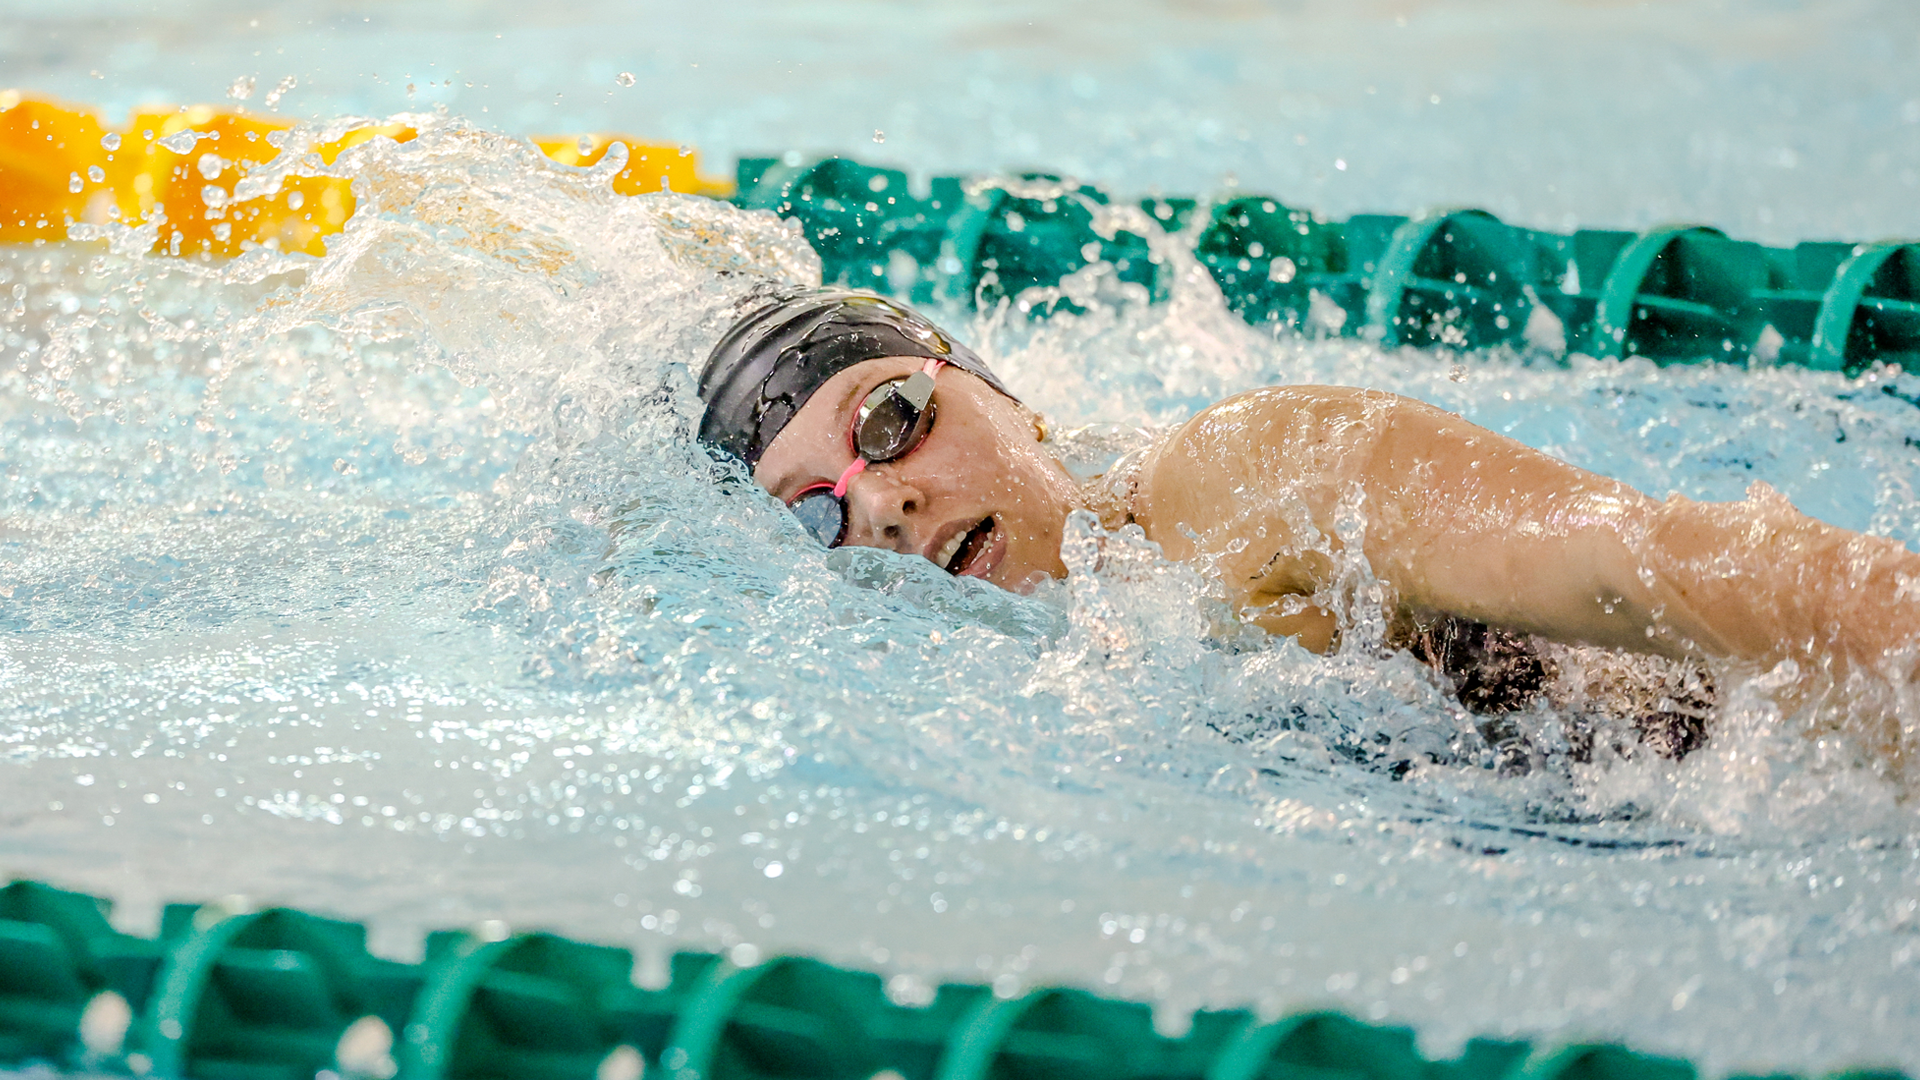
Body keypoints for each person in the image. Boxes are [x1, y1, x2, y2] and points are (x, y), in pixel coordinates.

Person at [698, 286, 1920, 765]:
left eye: (892, 421)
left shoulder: (1235, 480)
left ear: (990, 385)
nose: (885, 502)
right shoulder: (1033, 699)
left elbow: (1640, 556)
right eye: (819, 516)